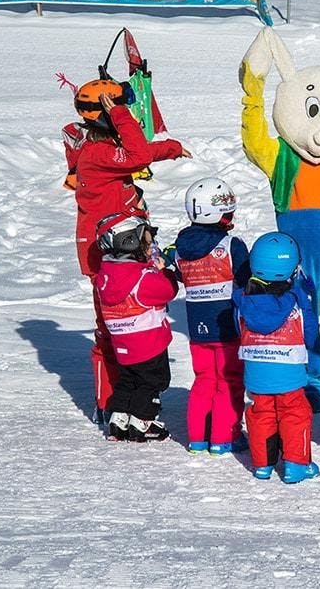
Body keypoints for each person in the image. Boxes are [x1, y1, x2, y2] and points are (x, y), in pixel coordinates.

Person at [61, 79, 190, 425]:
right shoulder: (97, 154)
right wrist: (117, 111)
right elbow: (137, 155)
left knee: (130, 326)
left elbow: (135, 153)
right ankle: (111, 403)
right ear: (107, 115)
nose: (128, 115)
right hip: (111, 257)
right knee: (111, 331)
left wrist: (171, 149)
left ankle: (130, 394)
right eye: (122, 110)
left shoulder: (100, 151)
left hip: (125, 253)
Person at [164, 178, 250, 456]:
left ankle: (198, 438)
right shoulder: (230, 245)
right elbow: (246, 277)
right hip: (227, 327)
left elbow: (177, 273)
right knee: (229, 380)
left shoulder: (181, 247)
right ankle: (225, 437)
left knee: (204, 380)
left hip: (197, 329)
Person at [233, 232, 320, 483]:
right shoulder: (296, 301)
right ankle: (295, 464)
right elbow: (310, 332)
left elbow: (239, 329)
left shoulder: (242, 301)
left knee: (262, 413)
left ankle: (263, 464)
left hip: (256, 373)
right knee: (295, 413)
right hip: (289, 373)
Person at [94, 212, 179, 442]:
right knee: (153, 382)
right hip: (149, 343)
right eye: (147, 243)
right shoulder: (142, 278)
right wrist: (164, 272)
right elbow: (168, 291)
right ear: (129, 241)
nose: (150, 248)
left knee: (128, 380)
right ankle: (143, 421)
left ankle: (118, 419)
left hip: (123, 344)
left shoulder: (105, 276)